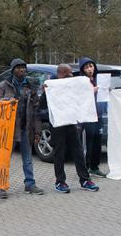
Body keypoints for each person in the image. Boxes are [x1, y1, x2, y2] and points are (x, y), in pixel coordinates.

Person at [38, 64, 99, 194]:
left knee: (78, 151)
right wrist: (45, 92)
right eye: (68, 73)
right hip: (57, 124)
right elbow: (42, 105)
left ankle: (84, 180)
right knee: (59, 153)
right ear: (60, 73)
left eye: (71, 72)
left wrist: (90, 90)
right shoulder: (52, 85)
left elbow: (80, 98)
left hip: (71, 123)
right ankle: (60, 182)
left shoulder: (72, 84)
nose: (71, 75)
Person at [0, 59, 45, 198]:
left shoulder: (30, 86)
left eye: (23, 68)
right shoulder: (3, 86)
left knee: (27, 159)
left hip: (26, 129)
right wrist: (5, 101)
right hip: (8, 130)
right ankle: (1, 186)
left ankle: (30, 184)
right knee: (4, 158)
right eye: (19, 68)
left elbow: (37, 111)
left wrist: (38, 131)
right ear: (13, 70)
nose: (22, 70)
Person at [77, 57, 107, 177]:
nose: (90, 69)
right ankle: (87, 166)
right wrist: (91, 91)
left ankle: (95, 166)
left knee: (97, 142)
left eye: (91, 66)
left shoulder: (99, 80)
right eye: (87, 67)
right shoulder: (81, 81)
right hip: (87, 116)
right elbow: (79, 96)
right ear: (83, 69)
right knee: (88, 143)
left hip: (98, 115)